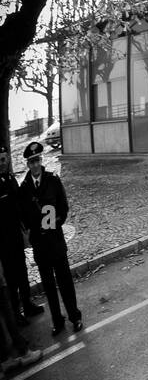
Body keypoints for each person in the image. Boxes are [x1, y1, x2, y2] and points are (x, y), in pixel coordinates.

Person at [19, 141, 82, 334]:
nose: (35, 165)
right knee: (48, 286)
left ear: (41, 160)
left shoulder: (52, 180)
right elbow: (23, 215)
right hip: (39, 245)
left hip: (55, 240)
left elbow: (63, 206)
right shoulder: (25, 188)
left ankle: (74, 317)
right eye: (31, 162)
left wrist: (55, 223)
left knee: (65, 282)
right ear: (27, 165)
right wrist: (31, 232)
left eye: (37, 160)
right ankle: (57, 321)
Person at [0, 148, 42, 325]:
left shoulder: (10, 179)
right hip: (4, 239)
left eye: (4, 159)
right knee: (11, 279)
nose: (2, 163)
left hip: (16, 234)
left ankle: (28, 304)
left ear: (8, 159)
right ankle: (16, 313)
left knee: (22, 273)